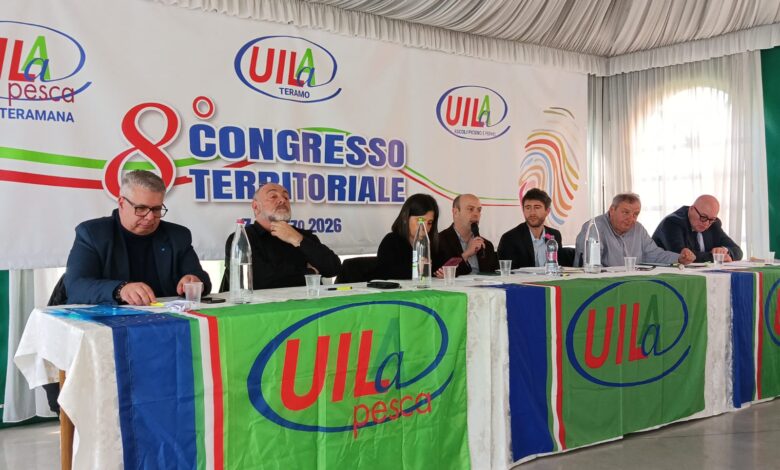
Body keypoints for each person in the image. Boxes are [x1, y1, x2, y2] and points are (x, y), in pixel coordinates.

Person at [64, 170, 211, 305]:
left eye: (156, 209)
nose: (150, 217)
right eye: (141, 208)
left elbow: (200, 277)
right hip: (109, 321)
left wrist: (195, 280)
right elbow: (76, 287)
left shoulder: (177, 236)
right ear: (121, 203)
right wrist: (120, 290)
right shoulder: (93, 233)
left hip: (168, 318)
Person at [220, 183, 341, 290]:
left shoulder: (302, 235)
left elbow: (333, 268)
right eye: (273, 196)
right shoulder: (242, 238)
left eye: (286, 197)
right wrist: (311, 272)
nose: (282, 200)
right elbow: (257, 282)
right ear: (256, 207)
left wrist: (298, 240)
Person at [574, 193, 696, 267]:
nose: (631, 218)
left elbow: (655, 255)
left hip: (632, 284)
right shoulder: (594, 228)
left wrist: (679, 258)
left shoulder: (638, 229)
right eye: (626, 212)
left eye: (635, 214)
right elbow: (591, 266)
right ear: (612, 210)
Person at [652, 195, 743, 262]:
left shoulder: (713, 224)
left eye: (711, 219)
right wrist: (717, 257)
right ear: (691, 209)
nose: (706, 223)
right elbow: (683, 256)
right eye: (703, 217)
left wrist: (725, 251)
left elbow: (738, 251)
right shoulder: (672, 223)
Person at [374, 193, 441, 280]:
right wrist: (416, 269)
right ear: (405, 218)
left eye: (429, 223)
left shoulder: (429, 243)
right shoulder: (391, 241)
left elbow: (434, 270)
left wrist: (440, 273)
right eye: (420, 221)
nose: (425, 228)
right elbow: (384, 273)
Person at [497, 188, 562, 269]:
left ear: (547, 211)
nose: (532, 213)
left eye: (537, 207)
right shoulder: (510, 238)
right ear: (523, 210)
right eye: (528, 208)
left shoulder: (554, 235)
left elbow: (559, 267)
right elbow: (508, 272)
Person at [435, 194, 498, 276]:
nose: (476, 214)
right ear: (455, 212)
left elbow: (493, 277)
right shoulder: (439, 241)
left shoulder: (487, 246)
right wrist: (466, 254)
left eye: (479, 210)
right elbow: (438, 274)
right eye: (470, 209)